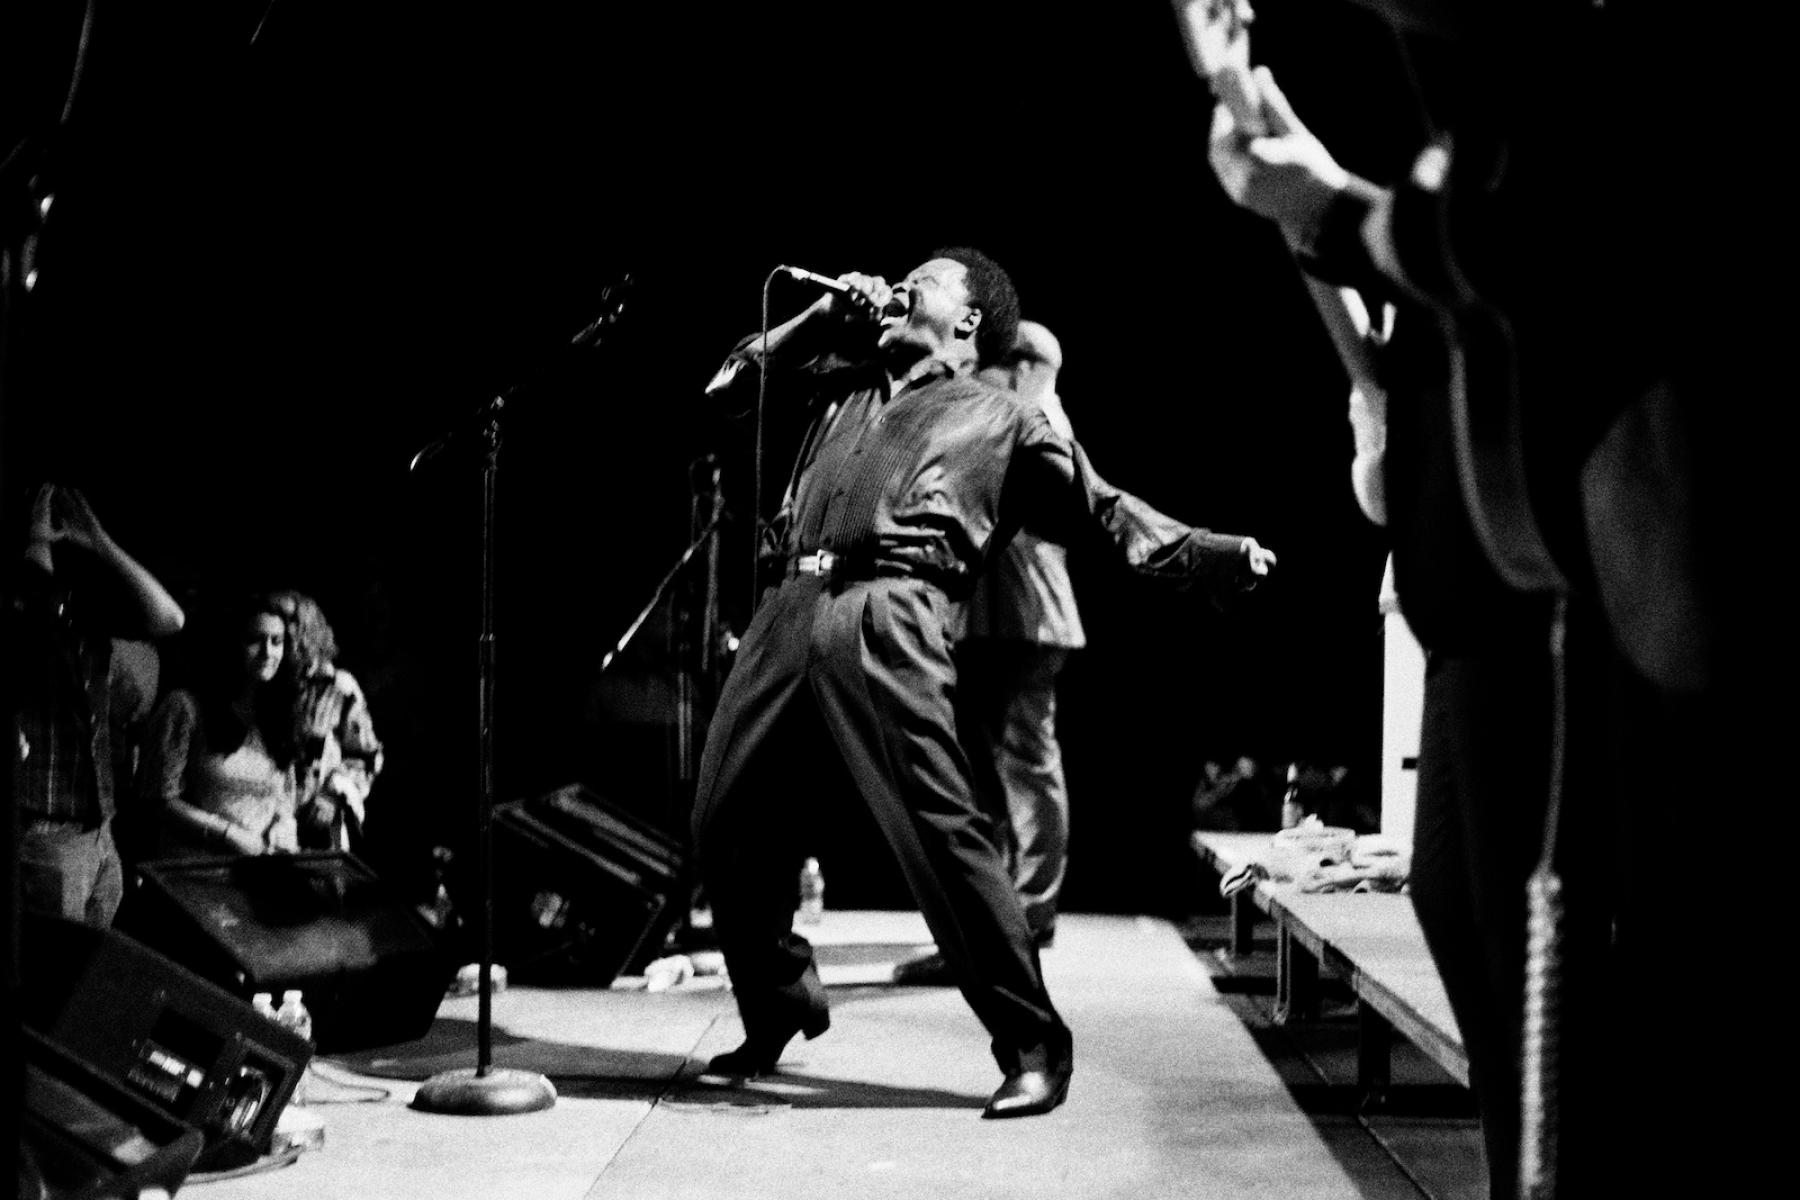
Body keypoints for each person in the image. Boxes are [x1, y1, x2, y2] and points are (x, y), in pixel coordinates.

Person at [1204, 7, 1739, 1193]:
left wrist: (1333, 209)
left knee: (1575, 964)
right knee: (1460, 907)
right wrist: (1312, 199)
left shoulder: (1561, 98)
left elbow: (1539, 241)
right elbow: (1416, 318)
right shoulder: (1468, 131)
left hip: (1548, 603)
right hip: (1474, 601)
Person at [693, 246, 1276, 1119]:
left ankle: (1036, 1044)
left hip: (893, 608)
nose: (895, 287)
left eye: (918, 281)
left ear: (967, 321)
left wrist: (1214, 555)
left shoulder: (1002, 418)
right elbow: (727, 391)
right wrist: (818, 316)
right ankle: (778, 1001)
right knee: (723, 821)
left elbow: (1108, 510)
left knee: (940, 833)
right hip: (788, 600)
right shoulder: (840, 386)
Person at [895, 320, 1083, 987]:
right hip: (1020, 617)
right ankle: (1018, 914)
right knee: (1018, 764)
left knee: (1000, 771)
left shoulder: (1028, 417)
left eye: (989, 363)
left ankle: (1007, 921)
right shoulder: (1038, 416)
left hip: (1014, 616)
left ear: (1025, 366)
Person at [7, 483, 185, 926]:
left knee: (90, 980)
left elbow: (170, 619)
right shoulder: (24, 608)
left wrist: (101, 542)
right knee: (54, 980)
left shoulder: (82, 608)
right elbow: (37, 614)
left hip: (99, 829)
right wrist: (36, 540)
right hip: (45, 831)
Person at [138, 594, 301, 858]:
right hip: (195, 869)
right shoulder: (186, 707)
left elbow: (283, 793)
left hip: (259, 872)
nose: (267, 652)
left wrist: (282, 823)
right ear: (231, 643)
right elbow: (158, 799)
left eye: (277, 641)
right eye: (254, 640)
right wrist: (228, 834)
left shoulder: (278, 714)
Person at [266, 589, 385, 853]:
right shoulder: (260, 684)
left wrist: (333, 794)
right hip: (261, 824)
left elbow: (365, 756)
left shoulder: (336, 686)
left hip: (316, 827)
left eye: (290, 620)